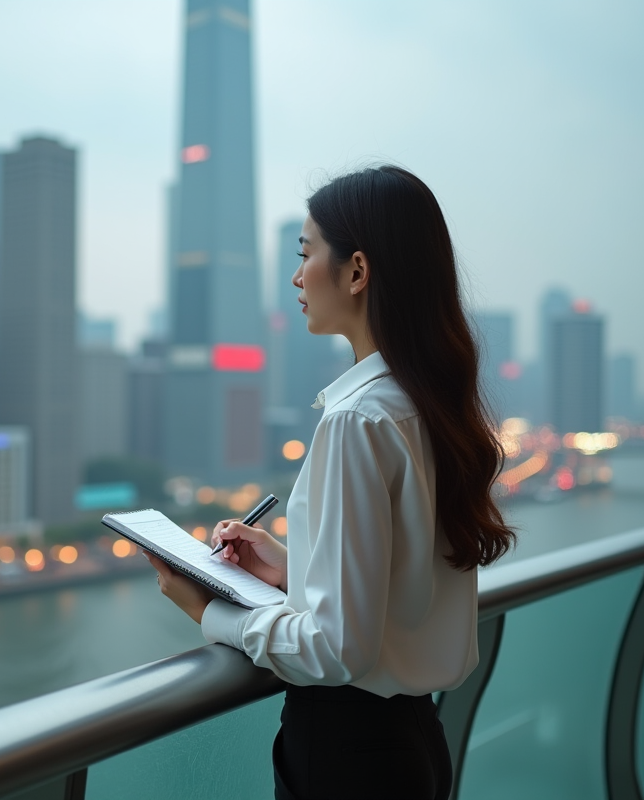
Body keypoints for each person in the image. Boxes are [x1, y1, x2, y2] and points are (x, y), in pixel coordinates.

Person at [143, 165, 516, 800]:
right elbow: (398, 593)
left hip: (348, 757)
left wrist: (211, 614)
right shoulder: (421, 403)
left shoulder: (358, 421)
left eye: (306, 253)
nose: (296, 276)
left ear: (357, 271)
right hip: (417, 739)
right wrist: (292, 569)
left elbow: (336, 651)